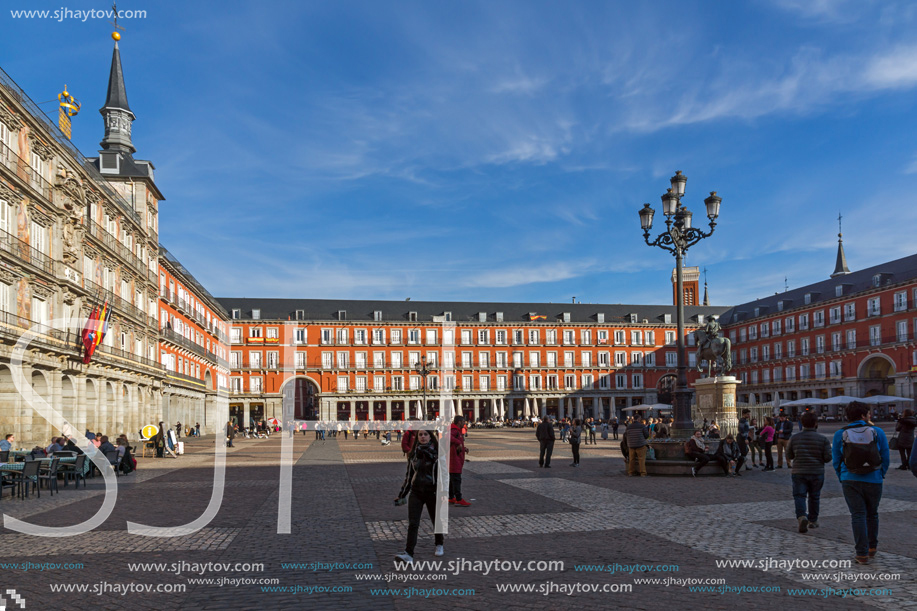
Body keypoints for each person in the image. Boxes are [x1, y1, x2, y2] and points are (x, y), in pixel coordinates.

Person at [832, 402, 890, 564]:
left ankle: (861, 554)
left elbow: (836, 460)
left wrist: (842, 476)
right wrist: (880, 474)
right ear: (864, 415)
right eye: (868, 413)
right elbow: (885, 456)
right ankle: (872, 547)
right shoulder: (877, 432)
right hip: (874, 479)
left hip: (850, 479)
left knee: (858, 515)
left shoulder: (839, 434)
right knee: (872, 514)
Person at [394, 429, 444, 563]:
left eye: (425, 434)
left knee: (436, 520)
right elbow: (409, 475)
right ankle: (408, 554)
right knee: (413, 523)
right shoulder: (414, 454)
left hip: (432, 491)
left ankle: (439, 543)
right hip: (416, 492)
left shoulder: (438, 454)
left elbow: (443, 476)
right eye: (420, 435)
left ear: (430, 437)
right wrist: (402, 494)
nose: (423, 437)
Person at [786, 411, 831, 533]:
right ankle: (813, 520)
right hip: (816, 471)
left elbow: (789, 455)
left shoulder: (794, 438)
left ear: (802, 423)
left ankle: (801, 516)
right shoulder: (823, 439)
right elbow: (828, 458)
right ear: (816, 424)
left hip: (799, 471)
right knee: (814, 496)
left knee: (799, 496)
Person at [448, 416, 470, 506]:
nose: (464, 423)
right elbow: (447, 437)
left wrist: (464, 448)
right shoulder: (454, 430)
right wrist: (458, 442)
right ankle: (458, 498)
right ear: (459, 422)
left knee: (453, 479)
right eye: (463, 421)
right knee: (456, 479)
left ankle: (451, 497)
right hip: (454, 458)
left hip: (456, 458)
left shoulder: (457, 431)